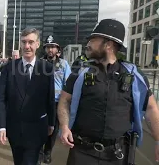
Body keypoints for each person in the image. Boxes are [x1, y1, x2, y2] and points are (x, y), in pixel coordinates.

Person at [58, 19, 159, 165]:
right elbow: (64, 100)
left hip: (118, 155)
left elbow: (150, 108)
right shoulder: (80, 72)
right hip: (82, 152)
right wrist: (64, 126)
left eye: (93, 40)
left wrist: (158, 140)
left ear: (108, 45)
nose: (88, 44)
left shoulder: (134, 75)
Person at [0, 28, 55, 165]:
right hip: (14, 128)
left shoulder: (47, 68)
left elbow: (50, 98)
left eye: (31, 42)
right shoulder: (9, 68)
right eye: (24, 42)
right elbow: (0, 99)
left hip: (36, 128)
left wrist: (51, 122)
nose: (27, 46)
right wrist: (1, 126)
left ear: (38, 44)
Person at [40, 35, 71, 164]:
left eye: (52, 47)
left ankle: (47, 151)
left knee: (53, 130)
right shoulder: (39, 63)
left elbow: (68, 83)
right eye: (48, 47)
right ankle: (39, 150)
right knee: (41, 126)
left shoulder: (63, 64)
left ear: (58, 49)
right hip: (42, 101)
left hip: (57, 102)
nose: (50, 50)